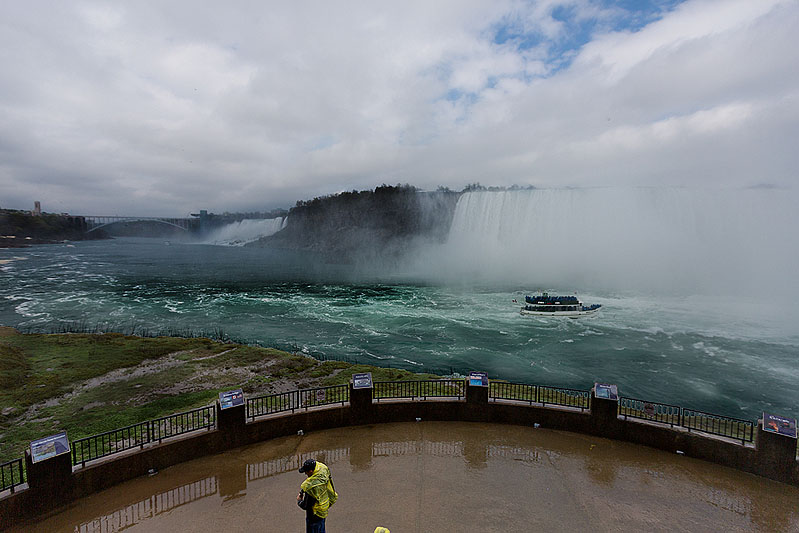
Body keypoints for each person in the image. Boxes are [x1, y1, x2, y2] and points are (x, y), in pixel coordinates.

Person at [297, 458, 337, 533]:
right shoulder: (322, 471)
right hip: (323, 509)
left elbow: (306, 505)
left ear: (311, 471)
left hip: (314, 514)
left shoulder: (312, 486)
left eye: (306, 472)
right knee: (321, 529)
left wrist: (299, 501)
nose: (305, 474)